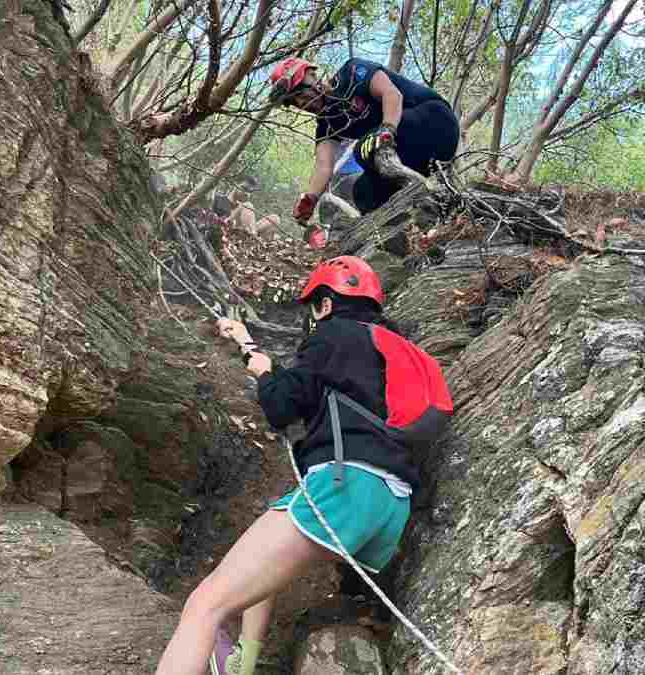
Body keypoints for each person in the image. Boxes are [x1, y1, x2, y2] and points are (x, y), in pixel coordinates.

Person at [152, 257, 423, 675]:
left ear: (326, 304)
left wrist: (258, 369)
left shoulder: (332, 335)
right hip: (391, 502)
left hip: (343, 486)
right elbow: (316, 390)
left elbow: (282, 405)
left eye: (314, 307)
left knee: (204, 605)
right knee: (264, 551)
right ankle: (243, 662)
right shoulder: (393, 347)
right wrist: (249, 346)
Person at [269, 57, 459, 223]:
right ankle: (413, 226)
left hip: (437, 121)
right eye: (296, 103)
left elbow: (392, 94)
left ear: (312, 76)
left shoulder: (351, 73)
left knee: (364, 149)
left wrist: (387, 130)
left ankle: (424, 189)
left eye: (301, 95)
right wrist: (309, 200)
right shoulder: (326, 123)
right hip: (417, 158)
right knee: (363, 194)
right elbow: (323, 165)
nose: (302, 105)